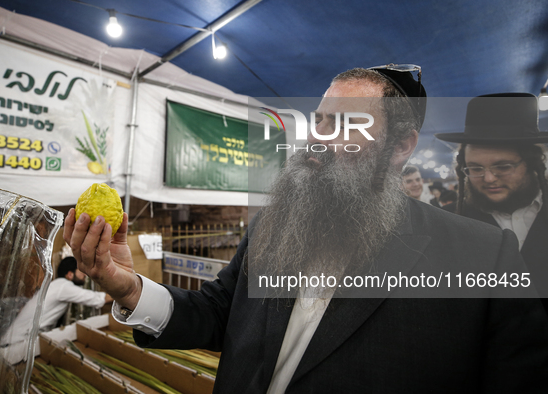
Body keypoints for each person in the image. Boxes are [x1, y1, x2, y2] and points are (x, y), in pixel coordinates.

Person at [64, 68, 548, 392]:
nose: (318, 137)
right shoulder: (274, 227)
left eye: (344, 124)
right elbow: (216, 313)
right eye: (319, 121)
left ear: (400, 145)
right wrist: (128, 286)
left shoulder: (484, 256)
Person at [436, 92, 548, 312]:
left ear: (533, 163)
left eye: (503, 167)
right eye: (476, 168)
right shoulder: (447, 224)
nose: (488, 178)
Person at [39, 256, 113, 331]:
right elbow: (94, 298)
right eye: (81, 271)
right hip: (32, 334)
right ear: (70, 274)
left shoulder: (56, 285)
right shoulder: (64, 286)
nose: (85, 275)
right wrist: (121, 295)